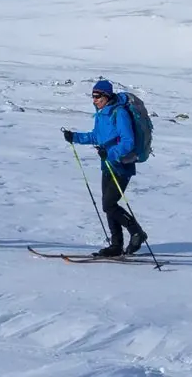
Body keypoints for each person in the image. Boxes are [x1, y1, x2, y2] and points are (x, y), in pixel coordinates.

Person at [62, 79, 147, 257]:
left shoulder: (119, 113)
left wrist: (110, 154)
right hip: (107, 164)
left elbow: (128, 142)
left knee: (109, 205)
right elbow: (96, 137)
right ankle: (116, 245)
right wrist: (74, 137)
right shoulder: (102, 114)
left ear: (106, 96)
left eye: (97, 96)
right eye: (93, 96)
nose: (94, 100)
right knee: (108, 206)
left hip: (122, 165)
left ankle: (137, 232)